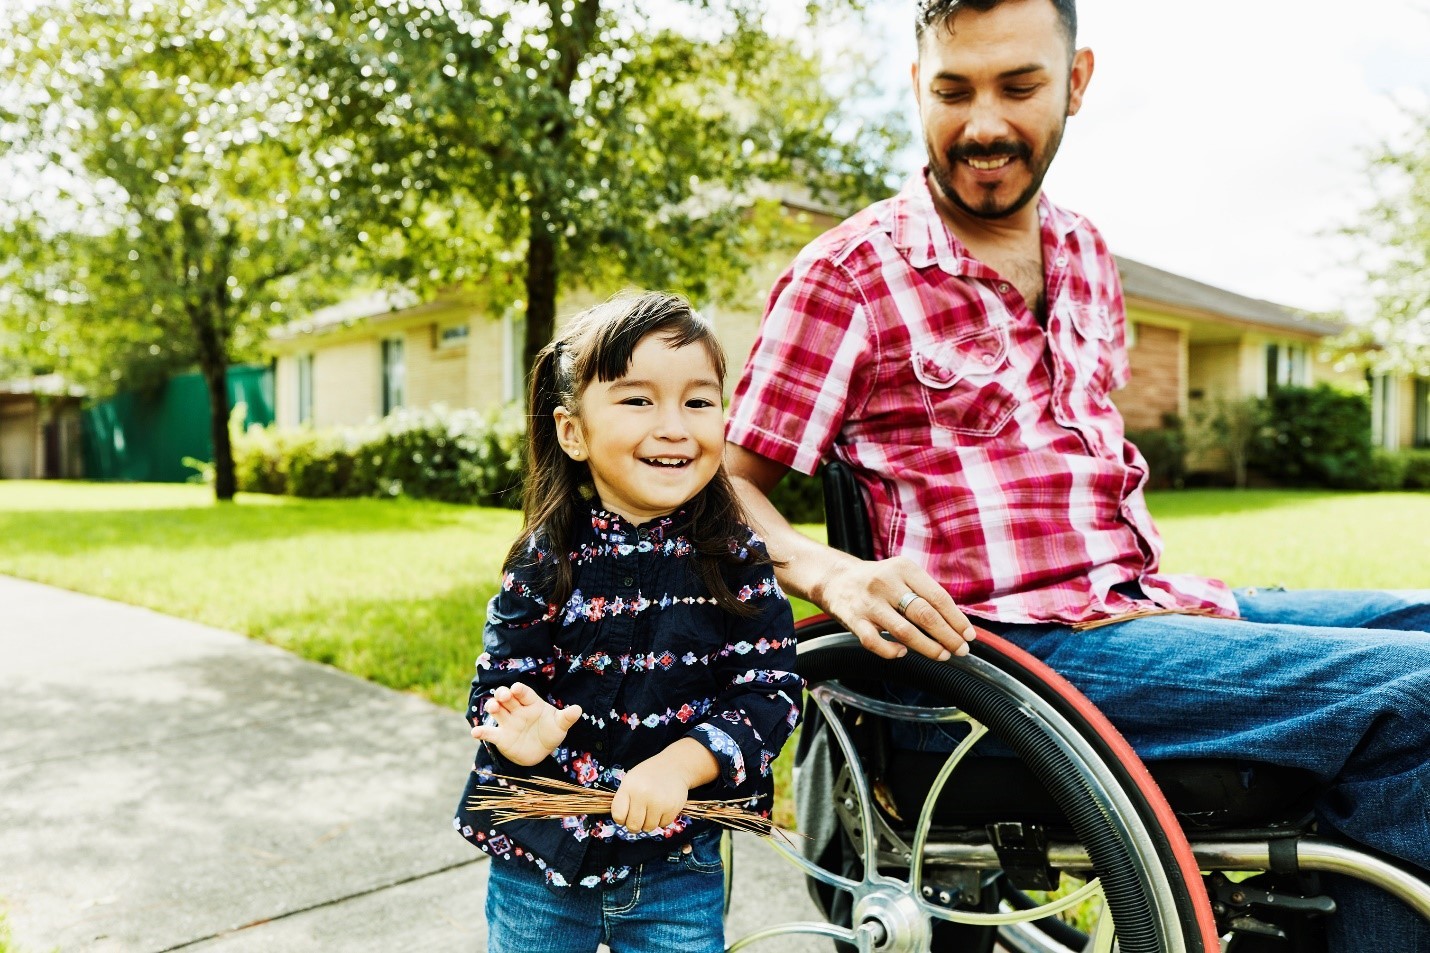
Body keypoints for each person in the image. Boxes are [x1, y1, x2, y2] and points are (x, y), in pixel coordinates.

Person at [724, 0, 1430, 948]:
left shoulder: (1089, 255)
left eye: (1019, 86)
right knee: (1417, 693)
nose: (983, 124)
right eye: (953, 90)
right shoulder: (850, 274)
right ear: (915, 90)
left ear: (1076, 82)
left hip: (1133, 610)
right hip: (990, 663)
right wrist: (829, 570)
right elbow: (719, 485)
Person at [454, 291, 802, 953]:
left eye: (699, 401)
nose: (676, 425)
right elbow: (499, 684)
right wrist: (516, 733)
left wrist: (680, 764)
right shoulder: (544, 559)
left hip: (675, 864)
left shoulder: (734, 560)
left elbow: (771, 692)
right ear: (572, 431)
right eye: (639, 399)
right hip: (540, 858)